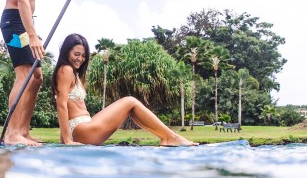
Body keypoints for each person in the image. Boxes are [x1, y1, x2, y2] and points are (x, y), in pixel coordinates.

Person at [0, 0, 97, 146]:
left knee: (36, 77)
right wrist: (32, 35)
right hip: (14, 24)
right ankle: (12, 133)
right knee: (25, 75)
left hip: (25, 23)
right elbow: (22, 0)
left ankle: (23, 131)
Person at [52, 33, 198, 146]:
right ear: (66, 53)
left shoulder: (73, 73)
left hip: (83, 127)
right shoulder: (65, 70)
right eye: (76, 54)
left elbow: (71, 106)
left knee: (130, 105)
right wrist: (67, 140)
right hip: (81, 130)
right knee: (130, 102)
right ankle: (170, 137)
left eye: (83, 55)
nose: (80, 59)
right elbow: (61, 105)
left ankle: (168, 137)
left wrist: (65, 139)